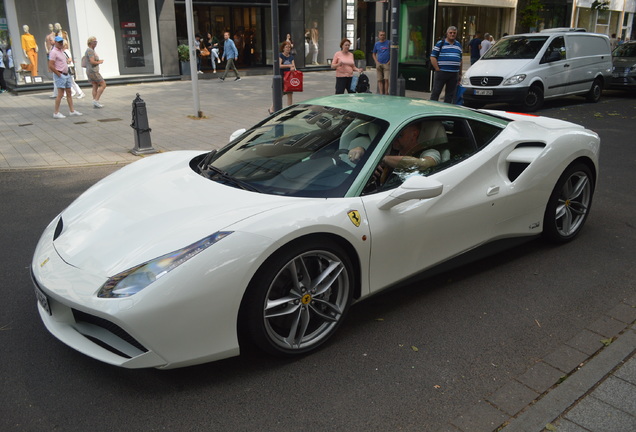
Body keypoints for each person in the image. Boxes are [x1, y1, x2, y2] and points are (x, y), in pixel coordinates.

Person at [48, 36, 82, 119]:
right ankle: (56, 112)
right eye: (59, 42)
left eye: (61, 42)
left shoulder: (61, 51)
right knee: (60, 94)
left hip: (66, 74)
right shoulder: (53, 52)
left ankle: (72, 110)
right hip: (61, 74)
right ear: (55, 43)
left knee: (69, 92)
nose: (61, 44)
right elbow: (51, 65)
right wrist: (59, 74)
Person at [430, 26, 463, 104]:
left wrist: (460, 73)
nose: (452, 34)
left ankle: (446, 110)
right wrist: (437, 68)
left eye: (454, 33)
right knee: (436, 92)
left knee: (450, 95)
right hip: (442, 72)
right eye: (450, 33)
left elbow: (460, 59)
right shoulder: (440, 43)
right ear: (447, 33)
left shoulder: (458, 45)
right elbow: (433, 57)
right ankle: (431, 107)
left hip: (454, 73)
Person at [269, 41, 296, 115]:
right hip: (281, 77)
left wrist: (293, 68)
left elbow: (293, 66)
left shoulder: (291, 57)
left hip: (289, 78)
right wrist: (289, 66)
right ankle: (272, 109)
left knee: (290, 94)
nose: (288, 49)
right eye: (286, 47)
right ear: (283, 48)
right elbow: (279, 65)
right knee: (279, 95)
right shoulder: (281, 55)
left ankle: (289, 110)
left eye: (289, 47)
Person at [85, 36, 107, 108]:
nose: (96, 43)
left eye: (96, 42)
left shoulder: (90, 50)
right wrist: (99, 62)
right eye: (94, 42)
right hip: (93, 71)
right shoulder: (90, 50)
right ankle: (96, 100)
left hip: (90, 70)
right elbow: (92, 61)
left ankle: (95, 101)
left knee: (95, 85)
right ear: (90, 43)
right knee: (103, 84)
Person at [372, 30, 390, 94]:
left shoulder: (388, 43)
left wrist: (389, 62)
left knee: (386, 79)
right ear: (378, 36)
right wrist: (376, 61)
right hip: (379, 63)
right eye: (381, 35)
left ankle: (386, 92)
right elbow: (374, 53)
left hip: (386, 63)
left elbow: (393, 53)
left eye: (383, 35)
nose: (382, 36)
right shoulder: (377, 44)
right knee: (379, 79)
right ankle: (381, 93)